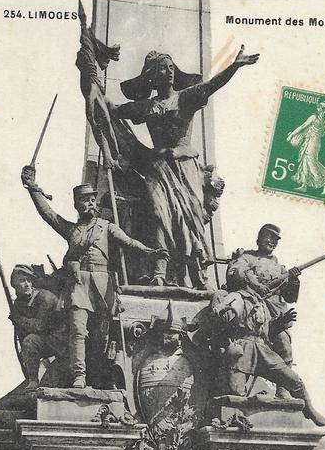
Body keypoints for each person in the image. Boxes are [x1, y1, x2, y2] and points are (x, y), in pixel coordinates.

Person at [110, 45, 259, 288]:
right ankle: (159, 269)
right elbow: (113, 111)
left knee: (190, 221)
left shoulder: (186, 97)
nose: (168, 72)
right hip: (158, 168)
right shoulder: (146, 106)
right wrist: (92, 79)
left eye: (171, 68)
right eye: (162, 69)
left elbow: (212, 85)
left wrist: (234, 66)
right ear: (152, 76)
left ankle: (196, 274)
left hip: (185, 169)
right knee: (158, 214)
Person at [21, 166, 168, 388]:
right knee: (78, 331)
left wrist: (151, 252)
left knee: (101, 337)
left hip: (102, 286)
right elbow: (47, 214)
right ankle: (79, 376)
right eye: (84, 201)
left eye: (92, 200)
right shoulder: (71, 231)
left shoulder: (106, 227)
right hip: (79, 285)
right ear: (77, 205)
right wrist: (33, 188)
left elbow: (128, 242)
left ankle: (101, 377)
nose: (90, 204)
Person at [209, 287, 325, 427]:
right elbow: (225, 313)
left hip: (263, 350)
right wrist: (222, 311)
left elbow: (266, 333)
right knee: (234, 393)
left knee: (294, 380)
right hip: (243, 350)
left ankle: (309, 409)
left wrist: (280, 322)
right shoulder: (237, 297)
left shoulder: (262, 303)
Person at [226, 224, 300, 398]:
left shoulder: (280, 267)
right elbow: (235, 271)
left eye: (275, 240)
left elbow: (290, 297)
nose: (272, 242)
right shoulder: (248, 257)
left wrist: (294, 280)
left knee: (284, 343)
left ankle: (283, 390)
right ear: (259, 238)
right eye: (268, 237)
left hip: (274, 315)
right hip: (252, 310)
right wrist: (255, 284)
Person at [10, 265, 67, 390]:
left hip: (61, 343)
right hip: (47, 342)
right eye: (22, 280)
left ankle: (34, 380)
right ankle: (32, 380)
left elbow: (40, 326)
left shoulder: (44, 297)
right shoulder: (19, 303)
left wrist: (19, 320)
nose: (27, 284)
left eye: (29, 280)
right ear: (14, 285)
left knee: (30, 341)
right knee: (29, 342)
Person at [287, 101, 325, 196]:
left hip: (314, 142)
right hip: (309, 141)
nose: (318, 109)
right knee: (305, 161)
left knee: (311, 162)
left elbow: (303, 126)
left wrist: (291, 135)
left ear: (323, 109)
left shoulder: (317, 118)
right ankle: (304, 185)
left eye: (320, 107)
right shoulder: (323, 119)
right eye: (318, 107)